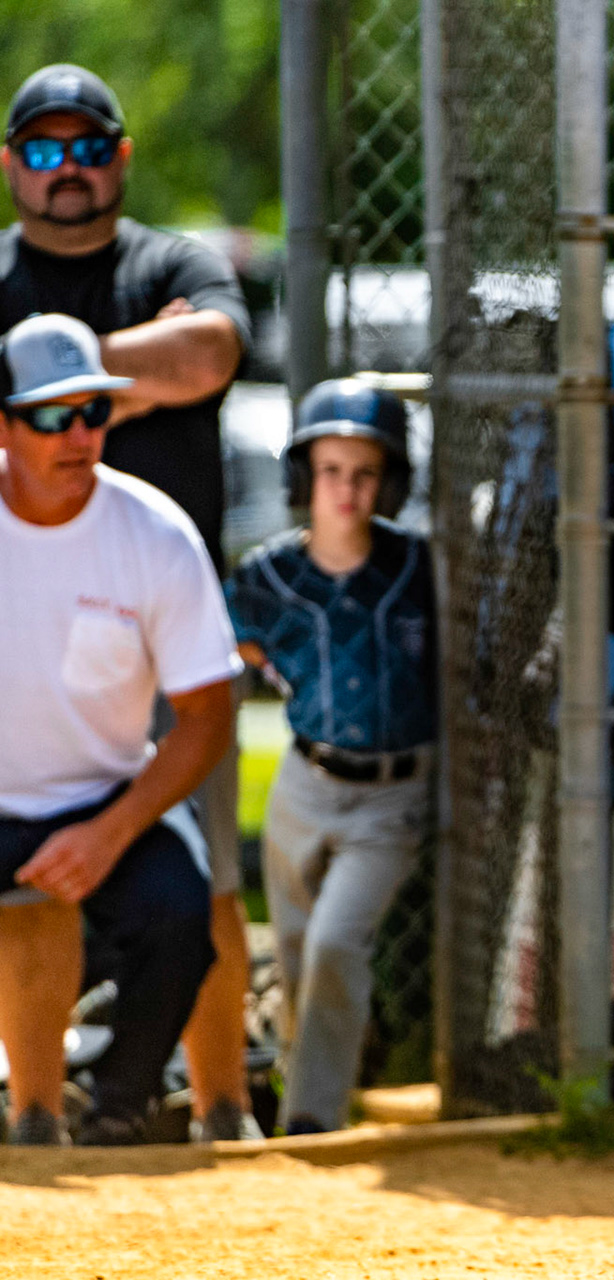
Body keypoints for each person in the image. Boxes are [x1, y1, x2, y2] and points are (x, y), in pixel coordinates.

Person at [0, 63, 255, 1140]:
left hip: (162, 616)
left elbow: (210, 353)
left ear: (122, 157)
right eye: (43, 149)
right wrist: (126, 368)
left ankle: (223, 1106)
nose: (68, 168)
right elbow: (172, 363)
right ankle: (37, 1112)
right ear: (11, 164)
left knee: (206, 878)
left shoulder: (173, 260)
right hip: (28, 615)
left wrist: (48, 373)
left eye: (89, 147)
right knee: (34, 889)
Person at [224, 379, 436, 1135]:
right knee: (291, 950)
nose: (347, 490)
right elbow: (229, 648)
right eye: (330, 471)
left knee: (335, 941)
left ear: (390, 483)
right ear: (302, 477)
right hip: (303, 781)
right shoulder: (267, 576)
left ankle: (309, 1120)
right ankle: (300, 1072)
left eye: (365, 473)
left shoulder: (418, 567)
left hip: (392, 792)